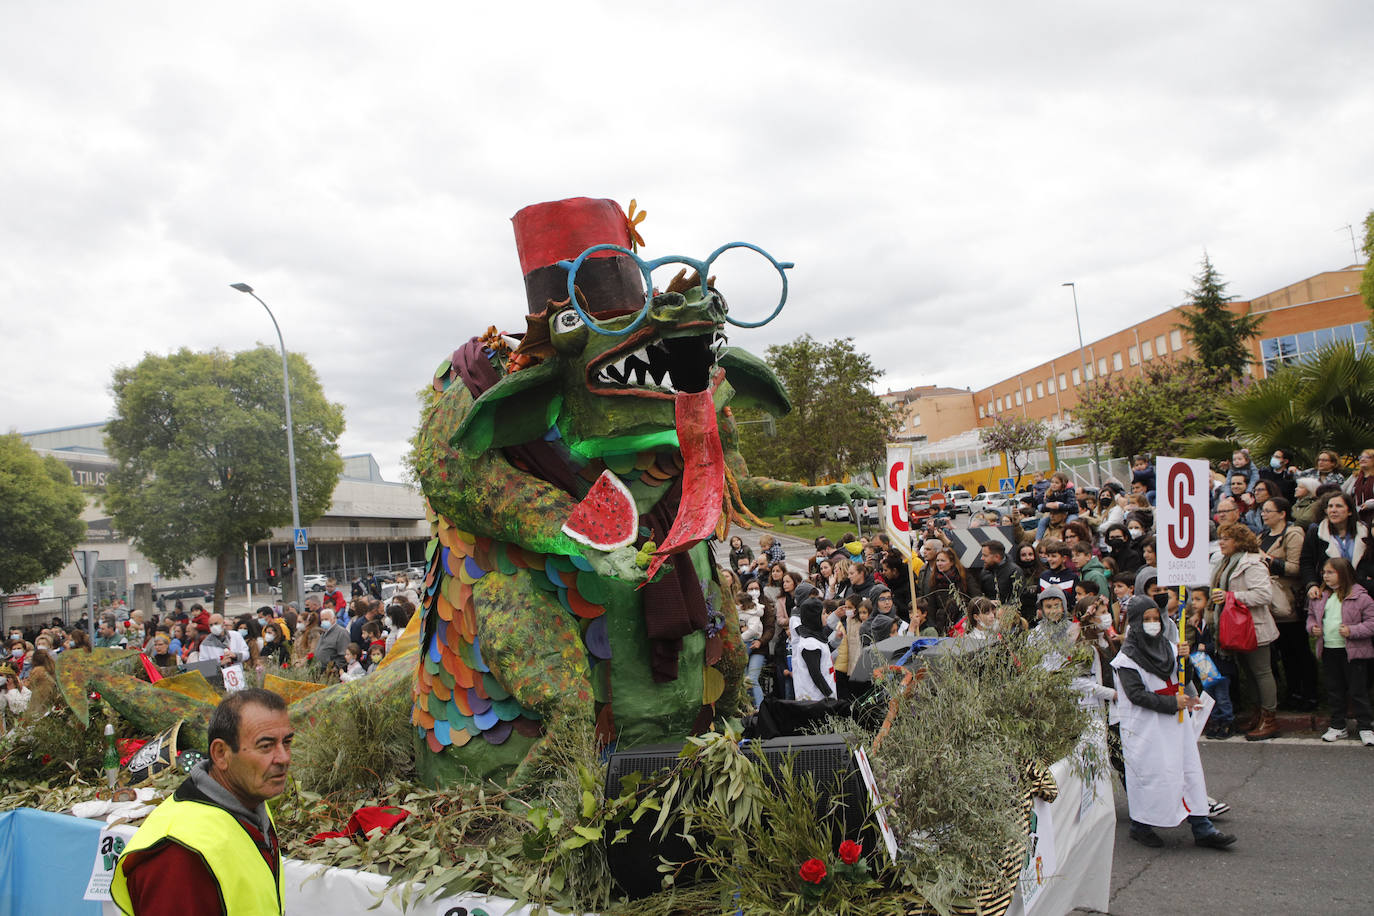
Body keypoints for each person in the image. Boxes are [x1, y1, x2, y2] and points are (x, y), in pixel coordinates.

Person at [112, 689, 291, 915]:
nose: (284, 757)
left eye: (287, 742)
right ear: (220, 754)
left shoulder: (252, 807)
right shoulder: (180, 854)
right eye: (266, 746)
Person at [1111, 595, 1236, 850]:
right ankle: (1141, 825)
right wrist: (1172, 703)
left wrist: (1185, 660)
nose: (1153, 623)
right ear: (1135, 622)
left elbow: (1183, 677)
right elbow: (1135, 695)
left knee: (1187, 772)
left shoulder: (1169, 646)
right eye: (1146, 620)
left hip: (1175, 724)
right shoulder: (1127, 658)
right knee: (1154, 776)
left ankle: (1202, 827)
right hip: (1146, 726)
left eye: (1156, 618)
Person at [1210, 523, 1280, 740]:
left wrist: (1232, 597)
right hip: (1234, 627)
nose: (1221, 542)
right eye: (1220, 538)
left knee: (1261, 672)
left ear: (1239, 542)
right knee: (1249, 674)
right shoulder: (1224, 562)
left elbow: (1263, 595)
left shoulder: (1252, 563)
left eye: (1226, 539)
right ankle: (1257, 713)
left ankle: (1269, 718)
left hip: (1254, 627)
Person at [1258, 496, 1318, 711]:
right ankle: (1292, 692)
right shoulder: (1263, 535)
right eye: (1263, 510)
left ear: (1282, 513)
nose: (1264, 514)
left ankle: (1309, 693)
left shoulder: (1292, 534)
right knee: (1284, 652)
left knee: (1299, 649)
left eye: (1268, 511)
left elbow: (1296, 568)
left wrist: (1268, 560)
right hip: (1271, 603)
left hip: (1289, 601)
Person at [1306, 557, 1374, 745]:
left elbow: (1371, 623)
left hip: (1353, 652)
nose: (1325, 576)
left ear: (1343, 574)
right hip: (1329, 649)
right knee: (1334, 689)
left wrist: (1353, 631)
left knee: (1358, 690)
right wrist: (1313, 628)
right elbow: (1311, 617)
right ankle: (1337, 725)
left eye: (1330, 572)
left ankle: (1366, 727)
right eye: (1324, 573)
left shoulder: (1361, 597)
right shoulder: (1321, 597)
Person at [920, 547, 981, 635]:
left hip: (962, 622)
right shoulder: (934, 580)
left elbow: (975, 596)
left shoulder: (963, 577)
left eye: (943, 561)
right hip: (942, 623)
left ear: (952, 562)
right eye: (937, 560)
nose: (939, 564)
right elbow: (931, 606)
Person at [789, 594, 835, 701]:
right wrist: (830, 695)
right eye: (823, 614)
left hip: (822, 698)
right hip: (815, 699)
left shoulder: (817, 637)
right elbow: (815, 674)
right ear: (814, 617)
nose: (826, 617)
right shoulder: (810, 644)